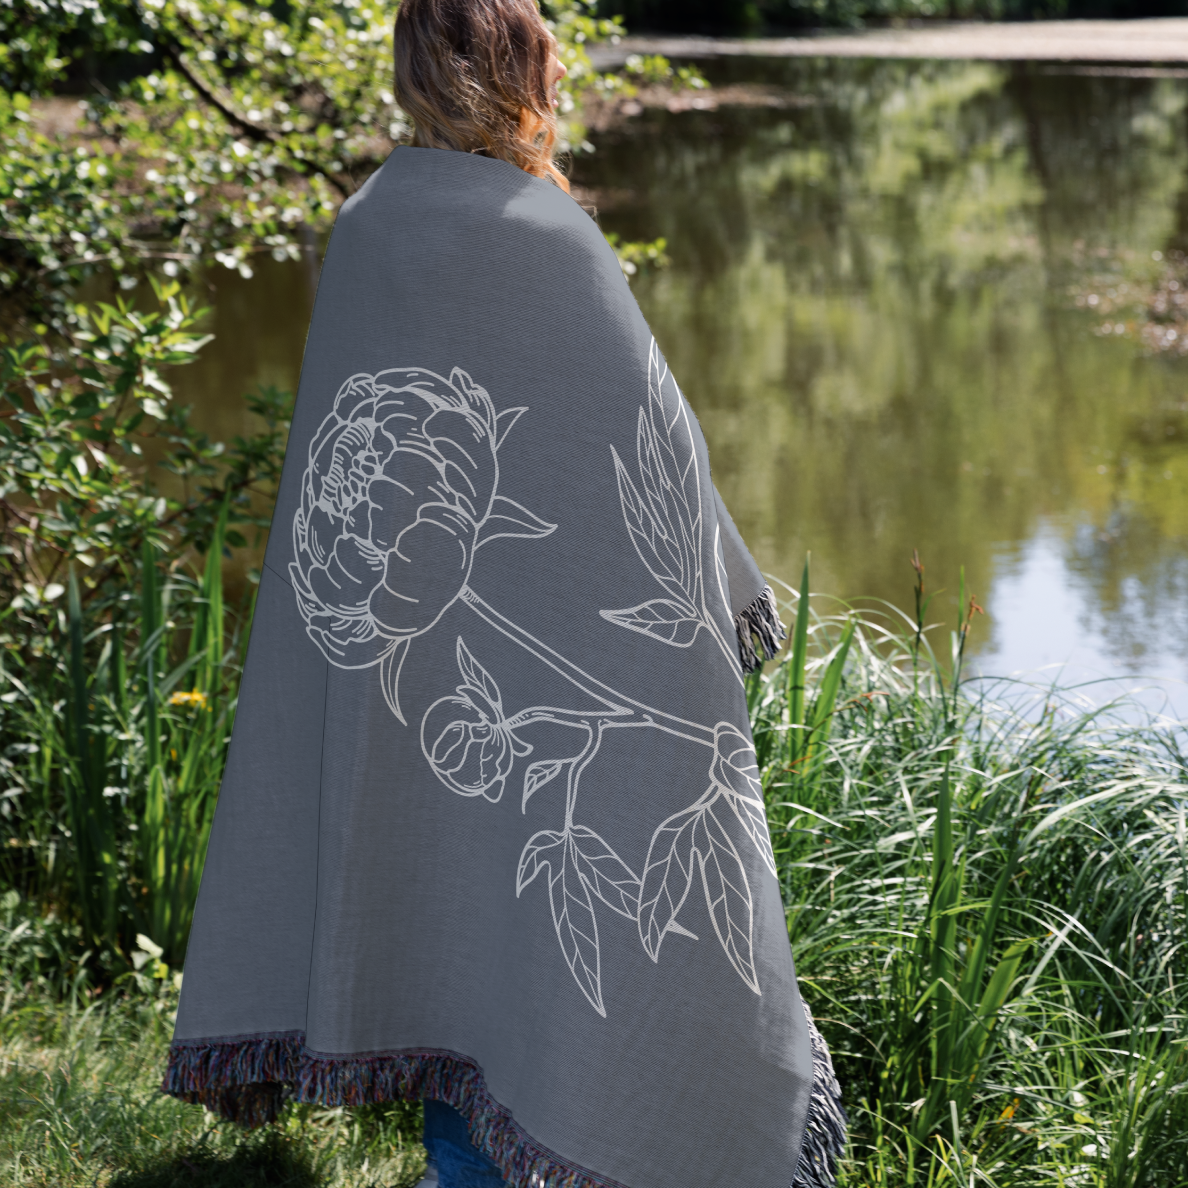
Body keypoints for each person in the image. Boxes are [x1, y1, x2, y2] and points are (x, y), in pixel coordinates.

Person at [162, 2, 845, 1186]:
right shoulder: (548, 235)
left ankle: (463, 1167)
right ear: (524, 70)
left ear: (413, 74)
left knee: (457, 910)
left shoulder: (366, 228)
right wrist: (712, 616)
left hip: (420, 674)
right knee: (514, 929)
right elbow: (657, 466)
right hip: (494, 663)